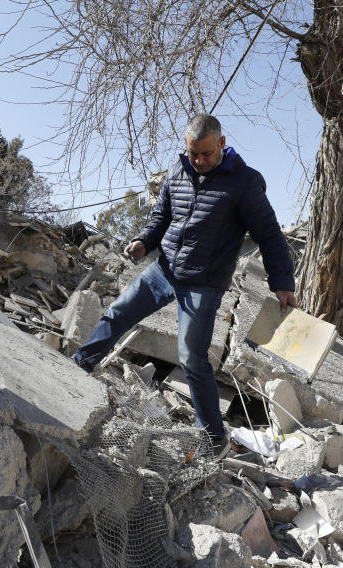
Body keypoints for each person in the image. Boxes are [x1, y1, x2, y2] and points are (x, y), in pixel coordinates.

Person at [73, 114, 297, 448]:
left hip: (203, 285)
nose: (199, 160)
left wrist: (282, 282)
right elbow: (161, 218)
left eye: (206, 153)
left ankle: (212, 439)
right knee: (117, 312)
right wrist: (144, 242)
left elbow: (269, 235)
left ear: (222, 144)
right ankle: (77, 367)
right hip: (164, 270)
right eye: (193, 153)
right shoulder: (178, 172)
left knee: (192, 358)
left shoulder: (245, 183)